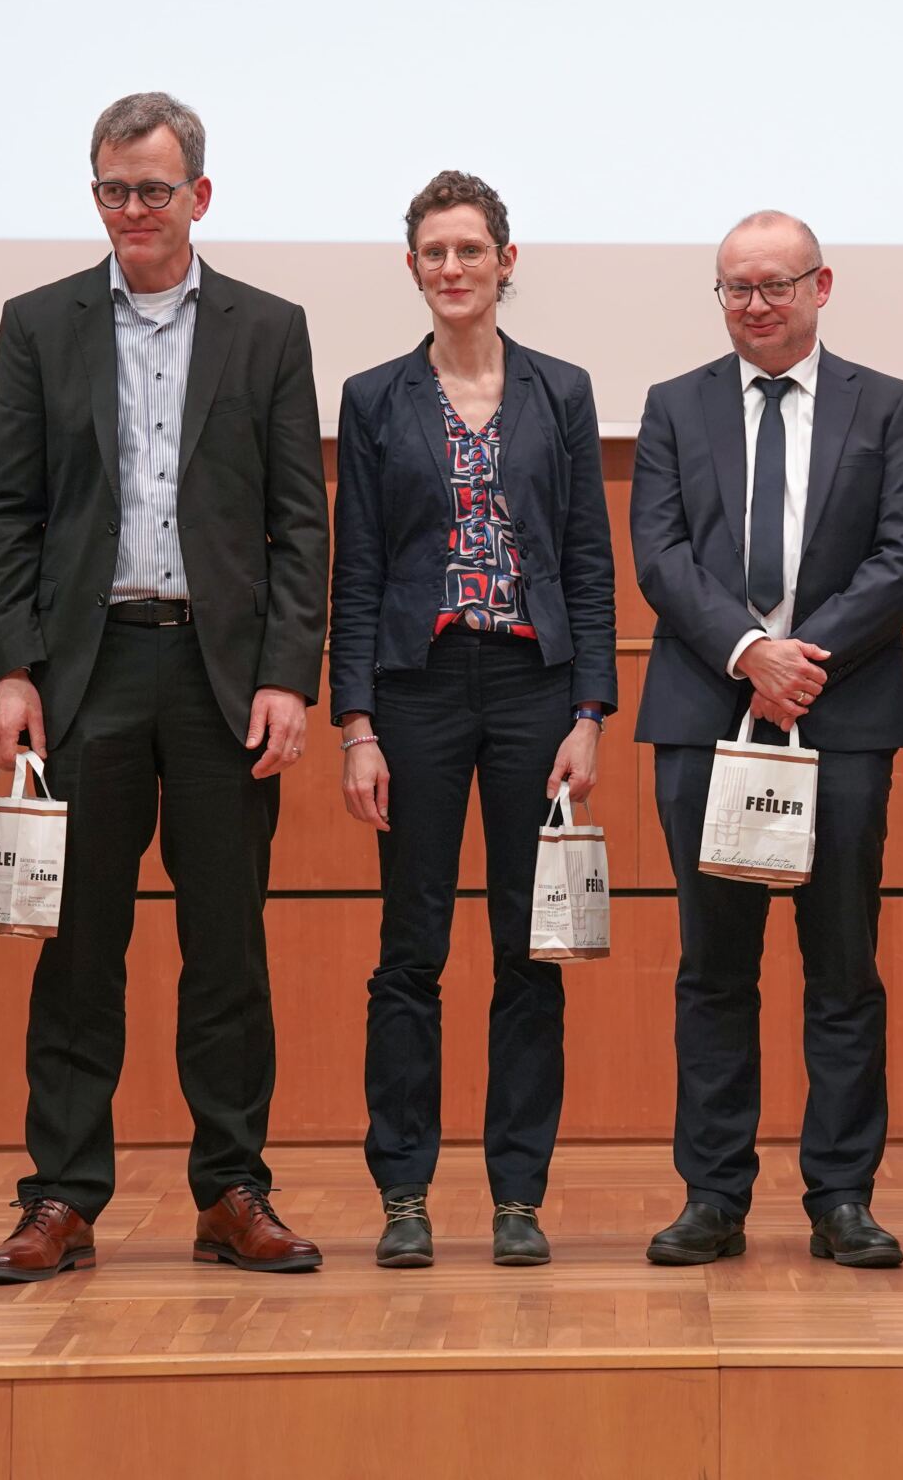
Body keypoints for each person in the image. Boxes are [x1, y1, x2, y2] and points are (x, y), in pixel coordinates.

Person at [0, 92, 331, 1281]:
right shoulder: (38, 323)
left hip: (223, 679)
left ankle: (232, 1187)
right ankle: (61, 1197)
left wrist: (288, 673)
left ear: (200, 197)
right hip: (88, 672)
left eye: (154, 190)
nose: (133, 210)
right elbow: (10, 512)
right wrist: (13, 667)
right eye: (113, 190)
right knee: (79, 944)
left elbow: (297, 521)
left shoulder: (268, 328)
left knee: (226, 944)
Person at [629, 211, 903, 1267]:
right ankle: (712, 1194)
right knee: (713, 967)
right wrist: (752, 650)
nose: (754, 304)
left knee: (841, 964)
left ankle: (841, 1195)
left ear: (821, 286)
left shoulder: (888, 405)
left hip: (841, 714)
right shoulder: (675, 405)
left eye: (775, 284)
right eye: (734, 288)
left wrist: (805, 659)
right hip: (703, 709)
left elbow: (902, 560)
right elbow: (660, 554)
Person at [332, 171, 616, 1267]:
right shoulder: (373, 396)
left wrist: (589, 707)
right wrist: (355, 722)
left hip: (534, 688)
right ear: (413, 269)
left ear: (507, 259)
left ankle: (516, 1194)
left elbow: (588, 557)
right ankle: (403, 1189)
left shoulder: (562, 390)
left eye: (469, 249)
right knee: (410, 948)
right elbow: (356, 569)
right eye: (432, 253)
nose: (452, 268)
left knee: (525, 948)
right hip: (413, 688)